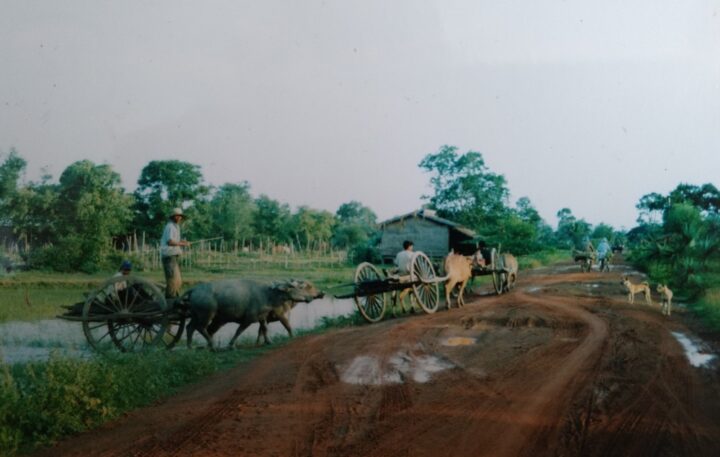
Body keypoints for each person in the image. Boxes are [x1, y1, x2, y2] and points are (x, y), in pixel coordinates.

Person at [161, 208, 190, 298]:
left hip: (173, 256)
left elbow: (175, 240)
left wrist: (183, 242)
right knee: (172, 281)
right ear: (173, 217)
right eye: (177, 216)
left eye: (180, 216)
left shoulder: (175, 227)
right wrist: (182, 244)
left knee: (178, 281)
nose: (179, 218)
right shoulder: (170, 226)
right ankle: (169, 302)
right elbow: (170, 242)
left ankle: (175, 298)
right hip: (169, 256)